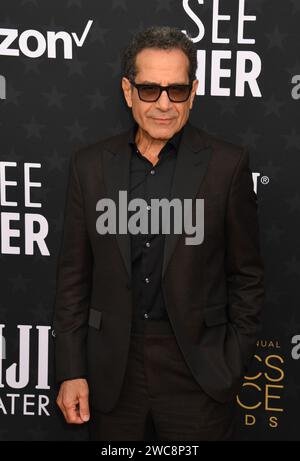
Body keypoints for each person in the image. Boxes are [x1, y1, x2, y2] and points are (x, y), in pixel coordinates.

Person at [52, 25, 264, 441]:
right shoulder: (90, 166)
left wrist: (230, 361)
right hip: (113, 370)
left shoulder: (227, 165)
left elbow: (248, 276)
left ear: (194, 91)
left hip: (198, 371)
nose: (164, 104)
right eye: (149, 90)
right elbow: (73, 279)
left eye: (177, 90)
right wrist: (72, 370)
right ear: (128, 91)